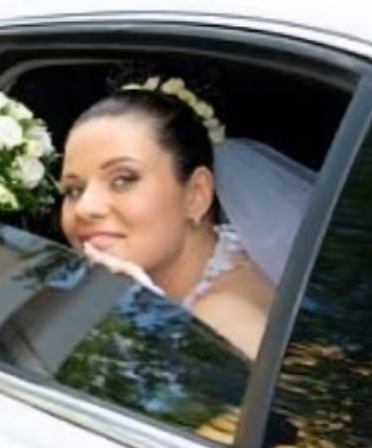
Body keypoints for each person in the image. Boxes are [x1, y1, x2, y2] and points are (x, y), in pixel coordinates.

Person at [58, 76, 275, 359]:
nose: (85, 208)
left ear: (196, 195)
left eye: (123, 179)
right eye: (73, 190)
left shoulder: (224, 326)